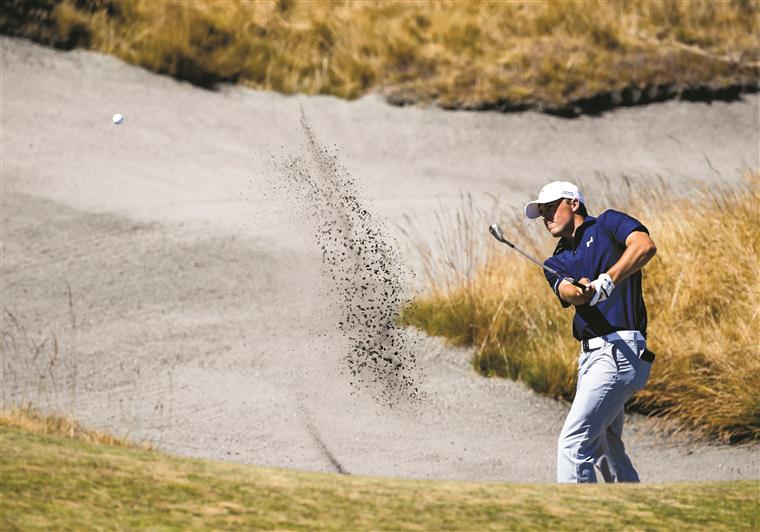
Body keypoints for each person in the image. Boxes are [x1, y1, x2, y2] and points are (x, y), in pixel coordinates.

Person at [524, 181, 657, 483]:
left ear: (573, 203)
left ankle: (576, 520)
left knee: (573, 443)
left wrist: (608, 279)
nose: (545, 217)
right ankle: (630, 512)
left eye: (550, 208)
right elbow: (569, 292)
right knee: (602, 444)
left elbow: (644, 246)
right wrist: (583, 291)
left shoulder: (608, 223)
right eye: (541, 212)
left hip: (619, 351)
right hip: (590, 359)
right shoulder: (555, 261)